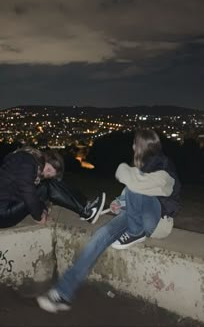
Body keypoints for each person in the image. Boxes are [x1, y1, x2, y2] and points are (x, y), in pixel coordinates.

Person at [36, 129, 181, 313]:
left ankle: (135, 233)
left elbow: (143, 186)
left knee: (135, 185)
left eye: (135, 143)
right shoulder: (141, 170)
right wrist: (118, 204)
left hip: (157, 221)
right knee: (99, 237)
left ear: (142, 146)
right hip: (132, 216)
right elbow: (132, 192)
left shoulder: (164, 169)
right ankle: (63, 293)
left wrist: (123, 170)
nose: (132, 146)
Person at [0, 146, 106, 228]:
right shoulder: (26, 160)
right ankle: (86, 210)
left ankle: (86, 208)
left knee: (45, 186)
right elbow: (28, 194)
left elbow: (31, 195)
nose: (43, 174)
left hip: (2, 212)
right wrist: (38, 216)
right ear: (45, 158)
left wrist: (43, 210)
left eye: (47, 175)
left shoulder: (22, 161)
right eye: (48, 169)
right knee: (48, 185)